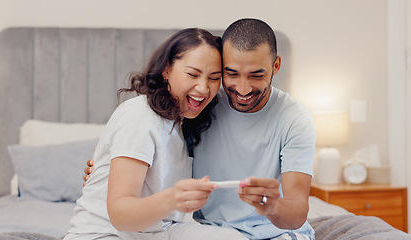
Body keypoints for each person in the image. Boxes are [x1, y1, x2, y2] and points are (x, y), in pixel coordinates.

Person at [84, 19, 316, 240]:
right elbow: (136, 146)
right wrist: (106, 165)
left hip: (269, 232)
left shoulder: (292, 119)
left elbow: (297, 211)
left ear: (275, 66)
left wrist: (272, 204)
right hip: (197, 231)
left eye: (256, 75)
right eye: (231, 73)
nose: (243, 89)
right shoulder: (196, 105)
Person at [65, 28, 248, 240]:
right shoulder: (139, 115)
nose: (204, 88)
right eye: (192, 74)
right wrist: (173, 198)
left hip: (156, 231)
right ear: (166, 70)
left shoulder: (181, 122)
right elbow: (120, 216)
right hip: (105, 233)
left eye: (214, 78)